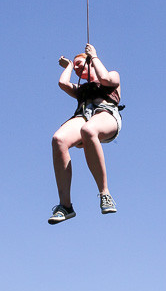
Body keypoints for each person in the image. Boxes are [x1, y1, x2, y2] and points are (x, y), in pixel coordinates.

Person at [49, 43, 121, 223]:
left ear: (91, 62)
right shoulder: (81, 90)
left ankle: (105, 193)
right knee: (58, 139)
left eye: (80, 63)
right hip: (84, 115)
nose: (77, 67)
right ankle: (65, 206)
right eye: (75, 66)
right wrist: (70, 66)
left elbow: (105, 79)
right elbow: (63, 83)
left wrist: (94, 56)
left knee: (89, 130)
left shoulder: (112, 75)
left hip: (106, 113)